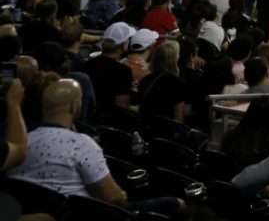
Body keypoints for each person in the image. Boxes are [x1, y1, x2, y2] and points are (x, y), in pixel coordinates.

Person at [12, 78, 180, 215]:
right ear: (75, 106)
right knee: (178, 204)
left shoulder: (21, 143)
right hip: (86, 214)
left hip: (36, 213)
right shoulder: (80, 144)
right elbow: (113, 199)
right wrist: (125, 194)